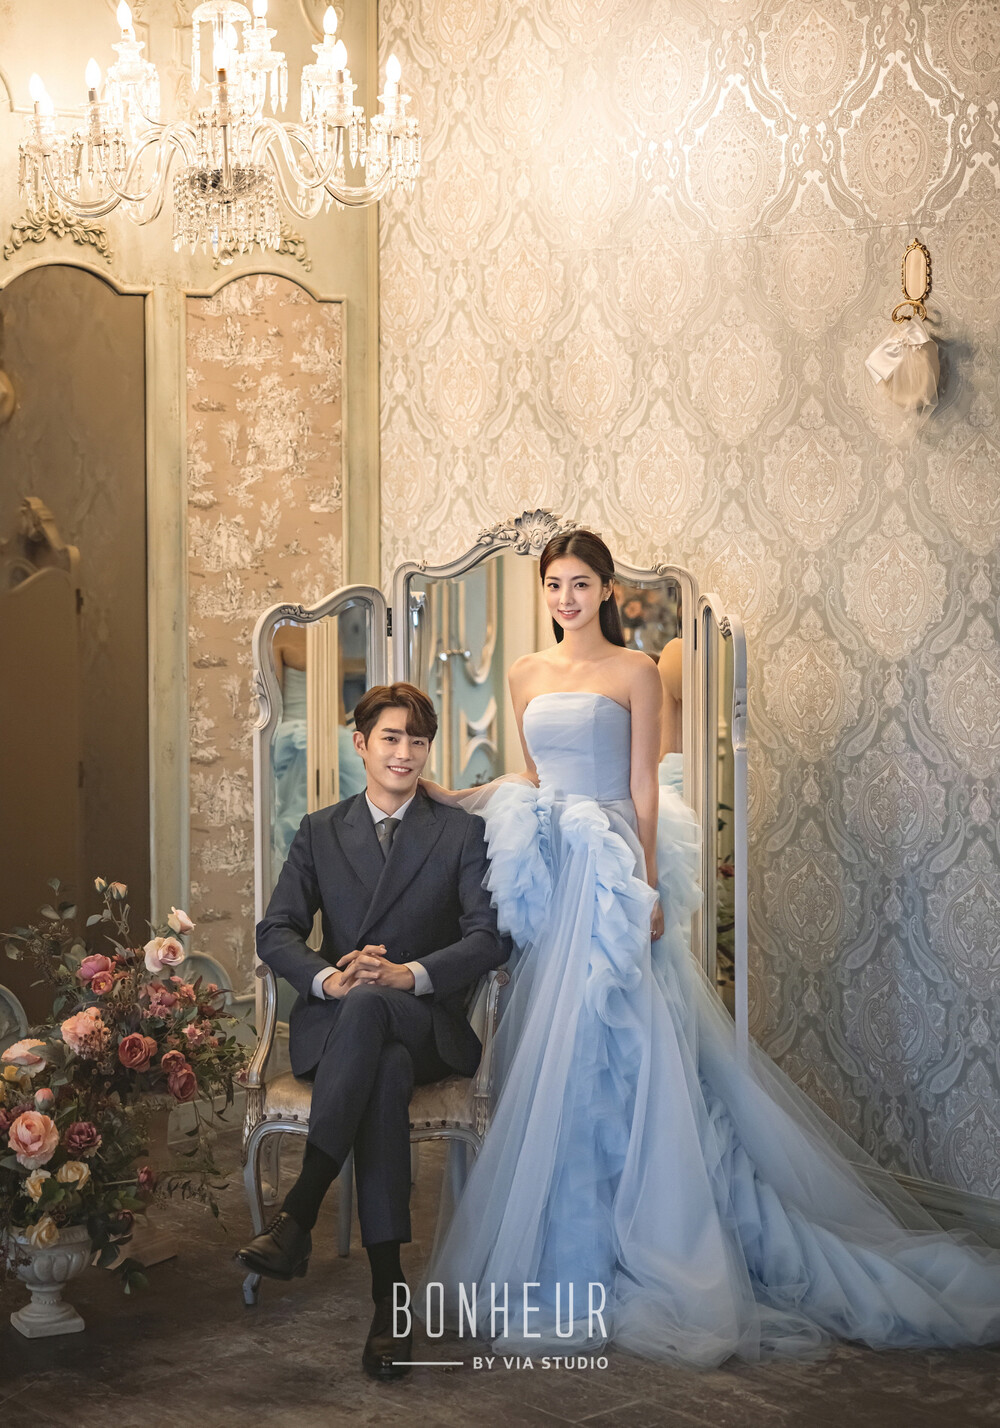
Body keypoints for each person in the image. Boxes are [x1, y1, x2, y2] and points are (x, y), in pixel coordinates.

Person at [419, 529, 1000, 1367]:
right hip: (558, 870)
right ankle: (569, 1243)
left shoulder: (635, 670)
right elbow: (536, 780)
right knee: (556, 1058)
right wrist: (457, 793)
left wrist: (648, 882)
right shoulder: (524, 673)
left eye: (580, 583)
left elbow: (645, 783)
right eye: (554, 585)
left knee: (626, 1049)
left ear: (606, 590)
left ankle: (655, 1234)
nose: (566, 599)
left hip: (614, 869)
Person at [237, 682, 505, 1380]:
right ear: (360, 744)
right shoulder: (321, 830)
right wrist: (330, 978)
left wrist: (406, 974)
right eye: (390, 737)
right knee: (378, 1059)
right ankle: (392, 1298)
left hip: (426, 1024)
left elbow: (488, 939)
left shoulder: (460, 833)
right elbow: (276, 930)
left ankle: (299, 1212)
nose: (405, 752)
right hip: (342, 1027)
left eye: (418, 740)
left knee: (377, 1010)